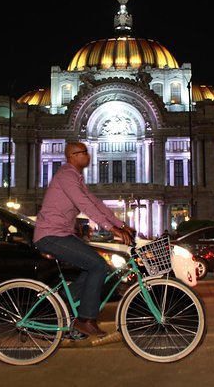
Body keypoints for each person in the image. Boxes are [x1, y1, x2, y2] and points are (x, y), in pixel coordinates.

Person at [33, 142, 135, 338]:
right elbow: (83, 204)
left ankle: (61, 301)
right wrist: (110, 228)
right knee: (98, 265)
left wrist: (121, 225)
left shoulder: (75, 178)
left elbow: (95, 203)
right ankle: (85, 319)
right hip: (50, 235)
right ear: (72, 156)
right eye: (84, 153)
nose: (88, 156)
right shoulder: (66, 175)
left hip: (61, 234)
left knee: (95, 266)